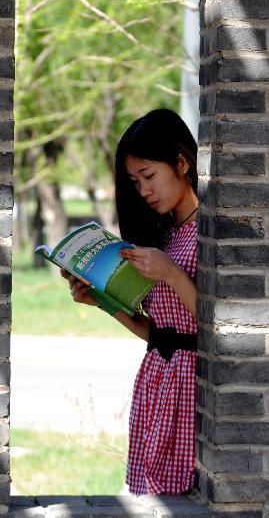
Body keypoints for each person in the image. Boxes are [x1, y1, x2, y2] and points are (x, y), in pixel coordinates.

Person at [63, 108, 199, 495]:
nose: (143, 191)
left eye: (149, 176)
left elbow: (217, 325)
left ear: (181, 162)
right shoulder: (167, 236)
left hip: (193, 388)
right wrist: (105, 303)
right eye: (134, 181)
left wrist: (171, 273)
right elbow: (161, 334)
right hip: (158, 380)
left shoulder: (209, 231)